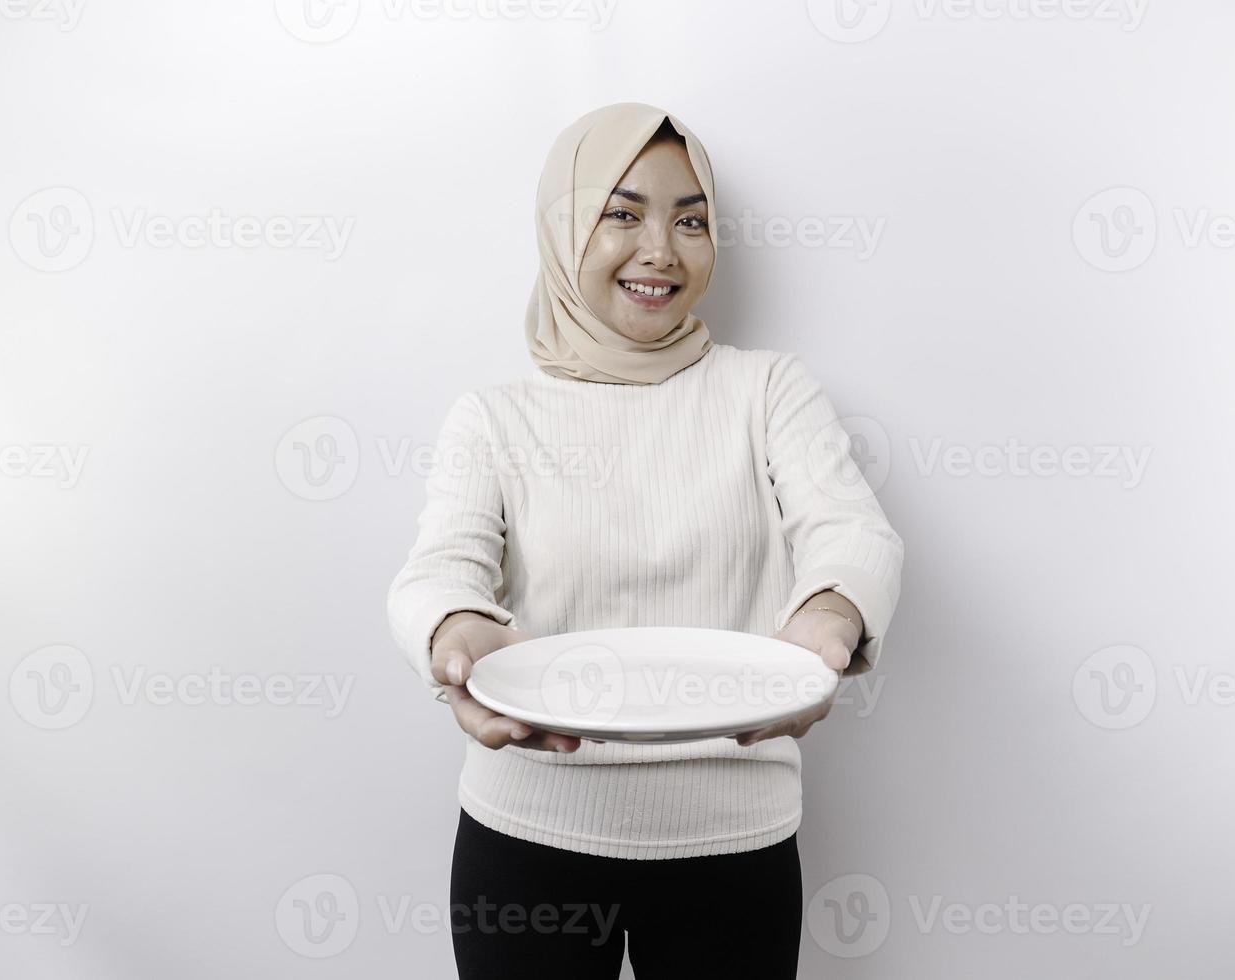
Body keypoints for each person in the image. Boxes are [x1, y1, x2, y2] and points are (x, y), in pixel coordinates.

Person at [387, 102, 904, 979]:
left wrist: (830, 618)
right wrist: (455, 637)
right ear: (563, 229)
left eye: (690, 219)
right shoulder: (495, 417)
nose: (662, 249)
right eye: (621, 213)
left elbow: (850, 531)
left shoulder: (767, 390)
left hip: (733, 842)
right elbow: (439, 570)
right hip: (530, 837)